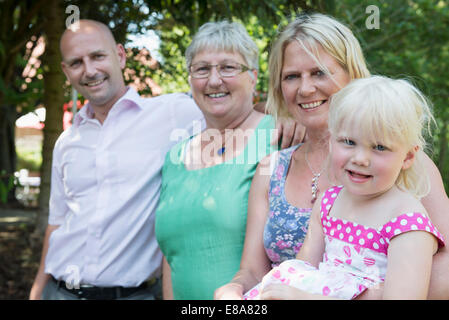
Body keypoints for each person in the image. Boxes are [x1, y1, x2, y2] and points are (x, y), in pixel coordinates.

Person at [215, 13, 449, 300]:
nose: (305, 88)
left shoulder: (402, 169)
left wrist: (348, 294)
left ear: (351, 73)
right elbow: (257, 270)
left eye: (319, 72)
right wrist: (234, 289)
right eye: (291, 77)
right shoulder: (273, 168)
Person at [28, 19, 205, 300]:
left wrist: (279, 120)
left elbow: (234, 111)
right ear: (66, 71)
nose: (89, 70)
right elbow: (57, 223)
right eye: (76, 63)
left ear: (120, 56)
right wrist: (37, 291)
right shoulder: (66, 142)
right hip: (59, 292)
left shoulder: (173, 114)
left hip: (134, 295)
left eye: (98, 56)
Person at [243, 75, 445, 300]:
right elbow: (302, 271)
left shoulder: (407, 220)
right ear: (331, 142)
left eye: (379, 147)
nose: (360, 158)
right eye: (349, 142)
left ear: (407, 156)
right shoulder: (329, 202)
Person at [154, 21, 279, 300]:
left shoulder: (277, 137)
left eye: (228, 67)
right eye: (202, 69)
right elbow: (172, 259)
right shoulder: (175, 158)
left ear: (253, 76)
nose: (213, 80)